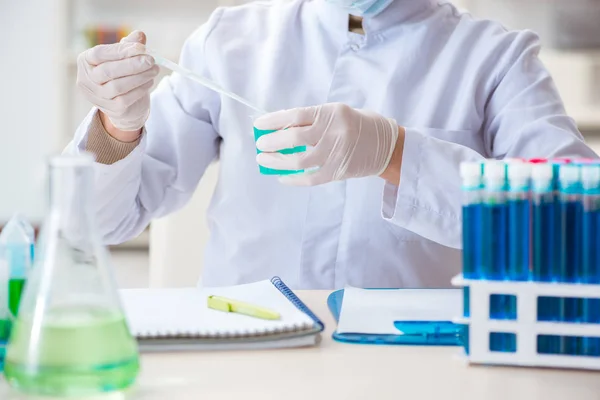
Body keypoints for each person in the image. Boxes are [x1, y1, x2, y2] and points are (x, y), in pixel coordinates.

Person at [69, 0, 597, 289]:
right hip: (244, 354)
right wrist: (118, 127)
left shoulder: (495, 57)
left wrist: (398, 154)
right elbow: (104, 222)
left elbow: (578, 228)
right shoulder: (229, 39)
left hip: (417, 365)